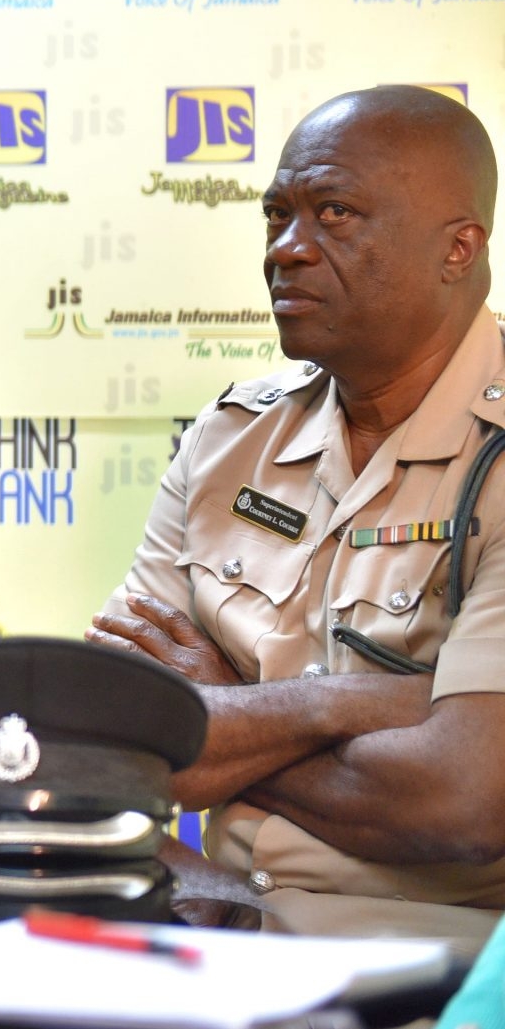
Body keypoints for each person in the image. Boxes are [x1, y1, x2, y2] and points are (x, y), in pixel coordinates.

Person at [87, 85, 505, 904]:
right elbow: (111, 731)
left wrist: (225, 710)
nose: (287, 248)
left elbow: (465, 798)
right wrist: (341, 705)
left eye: (335, 213)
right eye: (277, 215)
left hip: (440, 970)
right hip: (220, 927)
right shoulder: (229, 436)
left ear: (459, 248)